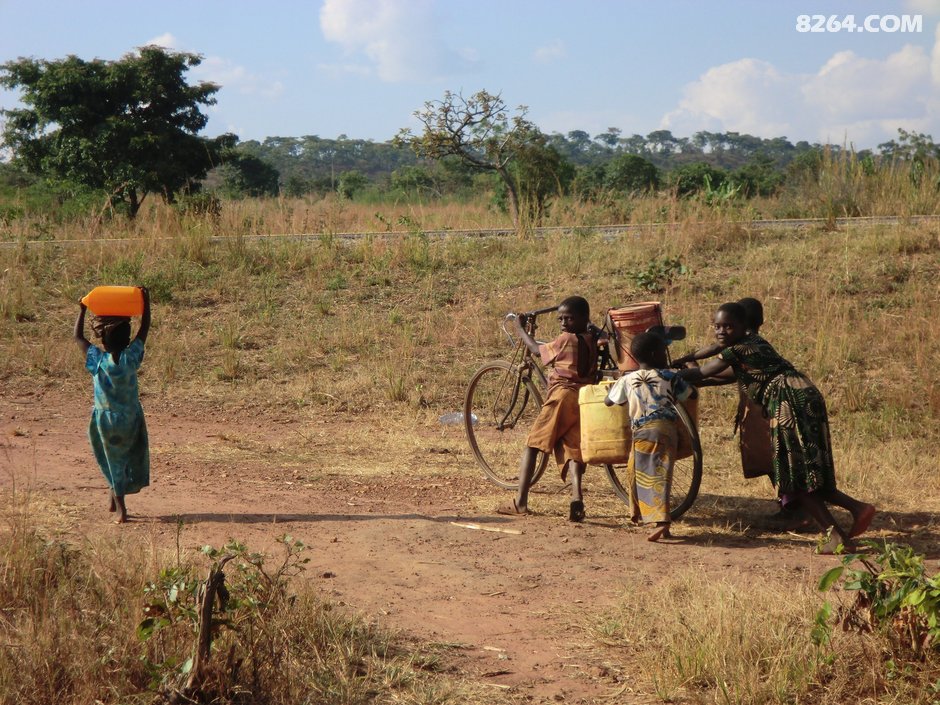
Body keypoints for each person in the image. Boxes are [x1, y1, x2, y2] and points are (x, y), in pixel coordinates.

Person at [677, 302, 876, 553]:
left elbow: (707, 371)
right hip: (802, 397)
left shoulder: (739, 349)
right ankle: (855, 511)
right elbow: (715, 359)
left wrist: (661, 374)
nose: (721, 331)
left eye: (728, 326)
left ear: (743, 327)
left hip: (789, 403)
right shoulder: (753, 344)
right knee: (807, 469)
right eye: (717, 326)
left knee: (795, 473)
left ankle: (838, 534)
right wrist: (690, 358)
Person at [496, 295, 604, 522]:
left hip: (562, 396)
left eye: (569, 319)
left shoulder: (566, 340)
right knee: (574, 450)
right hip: (582, 398)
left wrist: (520, 330)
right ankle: (577, 497)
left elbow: (537, 350)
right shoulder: (591, 337)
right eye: (561, 319)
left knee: (533, 444)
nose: (564, 323)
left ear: (583, 319)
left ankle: (520, 502)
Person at [604, 332, 693, 541]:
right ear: (655, 354)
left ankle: (662, 521)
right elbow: (690, 394)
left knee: (639, 472)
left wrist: (612, 389)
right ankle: (659, 522)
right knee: (659, 472)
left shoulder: (627, 379)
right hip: (666, 430)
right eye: (664, 352)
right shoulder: (670, 377)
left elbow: (609, 402)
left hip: (642, 431)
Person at [74, 287, 151, 523]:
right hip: (130, 418)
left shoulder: (97, 360)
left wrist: (82, 309)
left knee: (111, 458)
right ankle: (114, 500)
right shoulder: (130, 358)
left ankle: (121, 509)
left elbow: (78, 337)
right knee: (126, 456)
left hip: (105, 420)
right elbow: (144, 328)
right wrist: (146, 303)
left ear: (102, 340)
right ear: (127, 339)